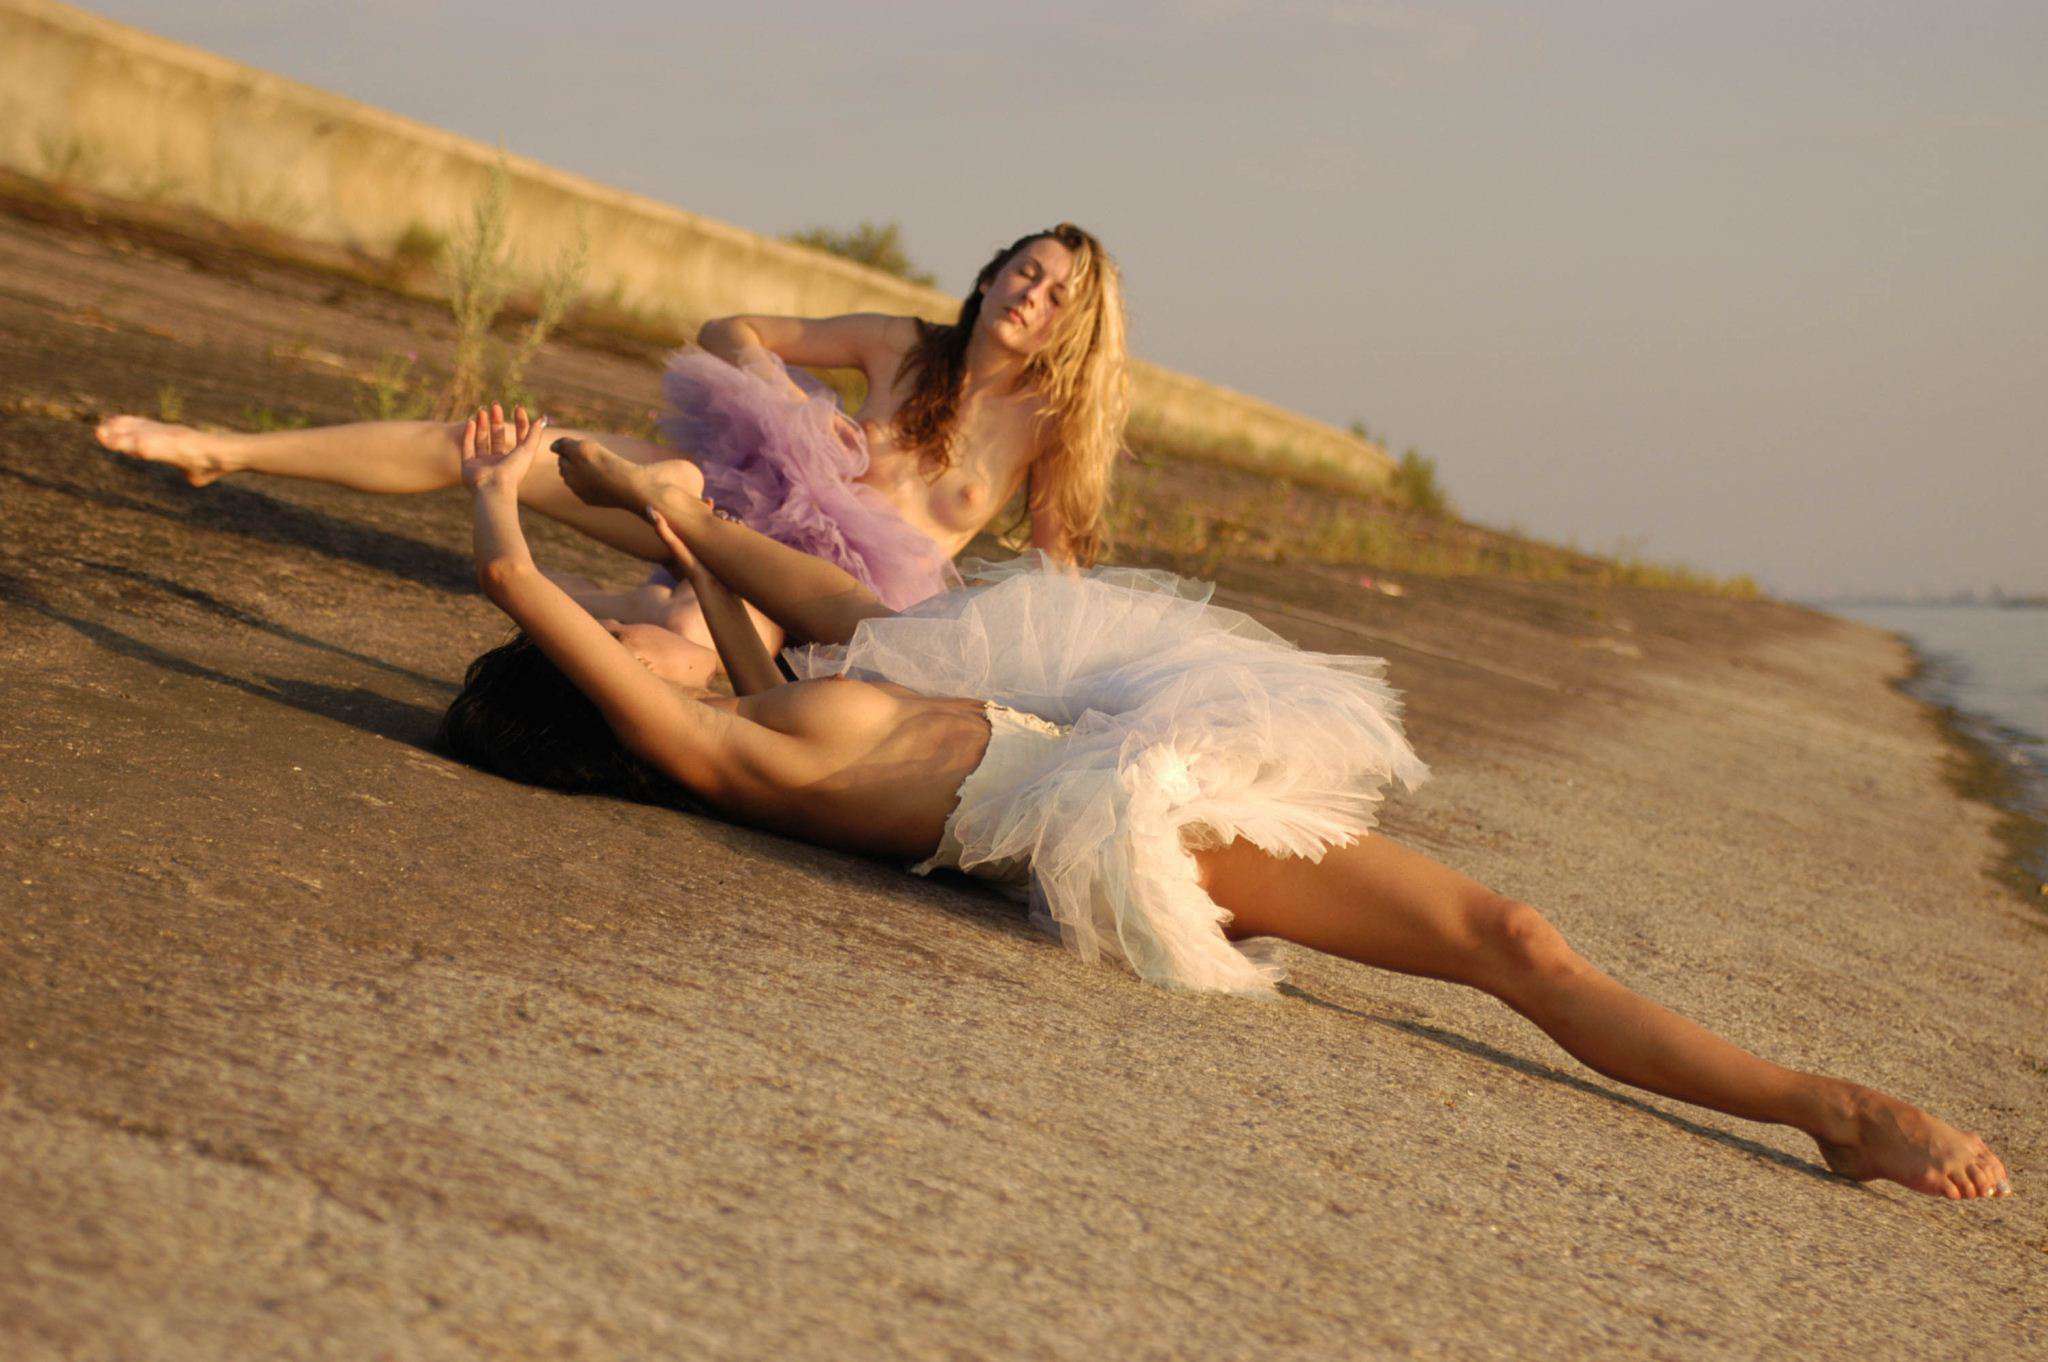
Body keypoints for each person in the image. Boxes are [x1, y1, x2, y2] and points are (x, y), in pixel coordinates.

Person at [442, 404, 2011, 1203]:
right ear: (600, 703)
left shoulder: (761, 726)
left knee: (1510, 938)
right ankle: (1830, 1108)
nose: (638, 637)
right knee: (1511, 939)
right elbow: (535, 601)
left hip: (1099, 746)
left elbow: (745, 663)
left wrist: (665, 526)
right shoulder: (729, 757)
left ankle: (1819, 1106)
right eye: (613, 653)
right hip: (1124, 813)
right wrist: (498, 507)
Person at [95, 224, 1130, 688]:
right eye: (1023, 272)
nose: (1029, 297)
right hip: (743, 498)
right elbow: (730, 327)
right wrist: (785, 394)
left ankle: (629, 607)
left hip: (823, 589)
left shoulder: (1049, 428)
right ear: (989, 273)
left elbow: (1058, 575)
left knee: (678, 645)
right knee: (495, 445)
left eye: (1054, 296)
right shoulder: (900, 342)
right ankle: (226, 449)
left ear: (1072, 327)